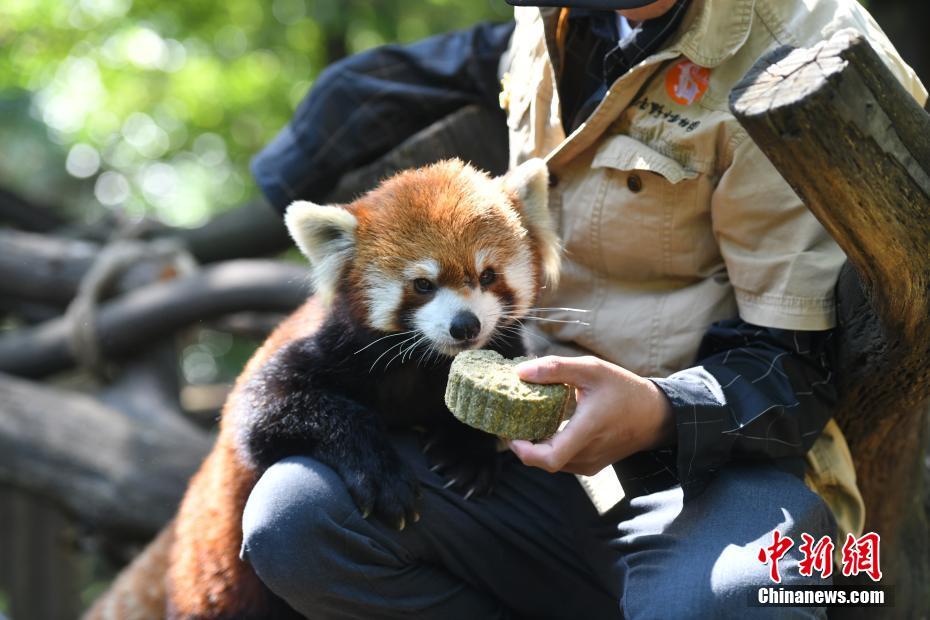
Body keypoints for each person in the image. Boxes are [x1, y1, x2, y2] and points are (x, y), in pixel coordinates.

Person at [242, 0, 927, 617]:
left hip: (709, 474)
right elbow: (480, 59)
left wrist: (659, 411)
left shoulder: (803, 47)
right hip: (540, 458)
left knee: (731, 599)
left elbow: (798, 367)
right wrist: (299, 158)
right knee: (298, 521)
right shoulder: (561, 18)